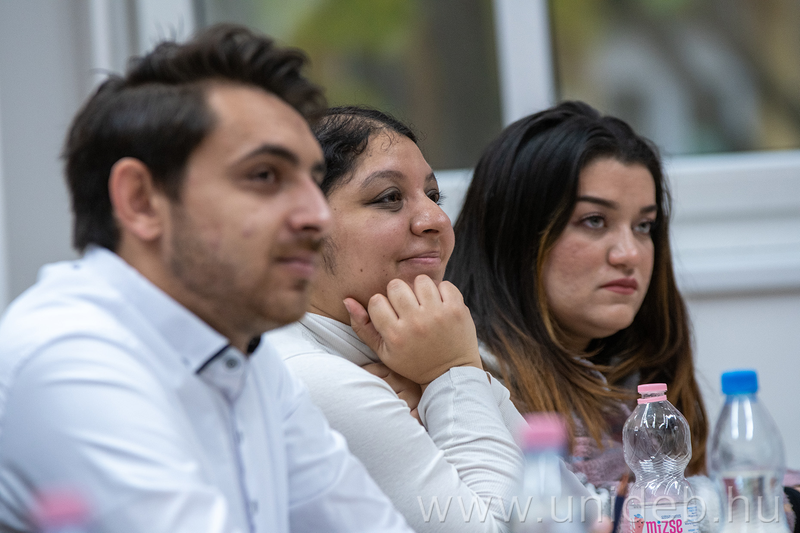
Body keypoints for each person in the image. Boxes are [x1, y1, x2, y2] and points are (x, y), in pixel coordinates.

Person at [0, 25, 413, 533]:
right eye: (265, 176)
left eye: (311, 181)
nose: (316, 217)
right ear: (141, 201)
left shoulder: (245, 353)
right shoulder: (70, 357)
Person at [262, 106, 594, 532]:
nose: (436, 220)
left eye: (434, 197)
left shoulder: (412, 355)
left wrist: (443, 379)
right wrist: (452, 373)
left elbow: (586, 519)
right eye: (389, 198)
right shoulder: (311, 379)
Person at [445, 101, 710, 516]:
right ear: (516, 233)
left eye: (643, 226)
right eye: (594, 220)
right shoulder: (467, 382)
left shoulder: (638, 371)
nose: (629, 254)